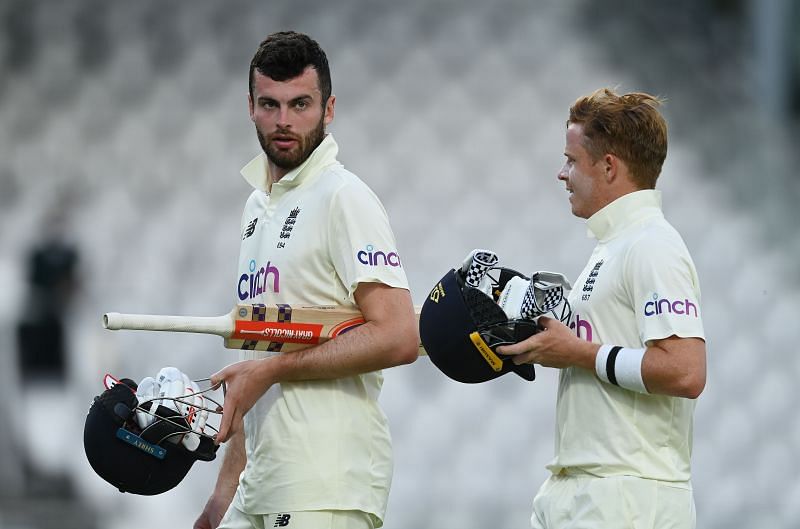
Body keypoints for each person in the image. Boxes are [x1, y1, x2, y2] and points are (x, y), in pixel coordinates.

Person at [194, 31, 419, 529]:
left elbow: (400, 336)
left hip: (325, 485)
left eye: (300, 104)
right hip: (261, 486)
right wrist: (221, 497)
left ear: (329, 108)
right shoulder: (257, 207)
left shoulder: (344, 198)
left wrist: (272, 371)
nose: (284, 121)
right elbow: (254, 362)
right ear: (249, 107)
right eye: (270, 105)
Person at [497, 88, 706, 528]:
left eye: (571, 160)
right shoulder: (615, 246)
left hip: (629, 498)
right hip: (582, 490)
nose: (561, 173)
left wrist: (576, 353)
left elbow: (686, 372)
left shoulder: (652, 246)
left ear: (608, 166)